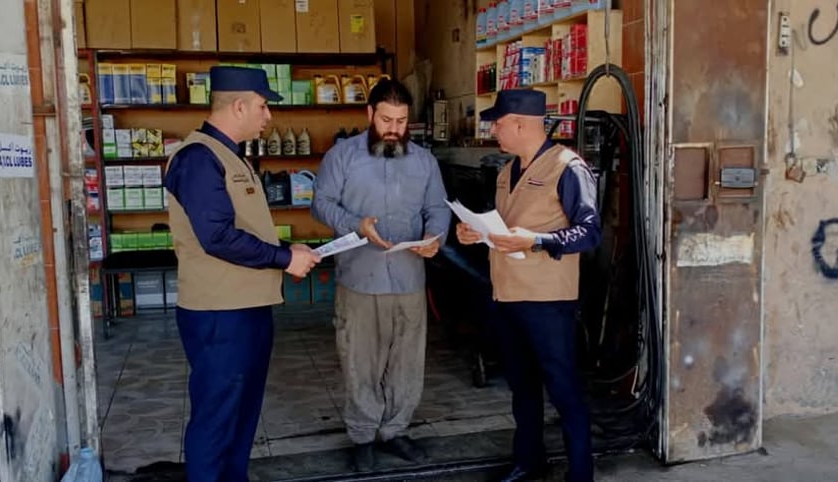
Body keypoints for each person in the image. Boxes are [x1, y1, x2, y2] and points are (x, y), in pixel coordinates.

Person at [163, 65, 321, 481]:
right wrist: (285, 260)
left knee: (241, 416)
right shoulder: (198, 159)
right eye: (264, 106)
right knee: (216, 420)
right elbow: (216, 236)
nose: (268, 116)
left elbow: (244, 230)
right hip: (219, 314)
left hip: (247, 309)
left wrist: (289, 249)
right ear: (239, 105)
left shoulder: (233, 156)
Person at [455, 89, 601, 482]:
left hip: (548, 302)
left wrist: (537, 240)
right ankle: (529, 461)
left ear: (520, 124)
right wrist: (476, 233)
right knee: (523, 388)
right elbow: (504, 228)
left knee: (564, 389)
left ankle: (580, 473)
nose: (494, 131)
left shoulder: (568, 168)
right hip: (508, 296)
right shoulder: (506, 172)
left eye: (498, 124)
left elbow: (589, 234)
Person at [311, 79, 451, 472]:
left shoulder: (425, 161)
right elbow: (321, 204)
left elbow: (438, 209)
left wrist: (434, 237)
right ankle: (361, 434)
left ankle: (396, 430)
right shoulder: (342, 157)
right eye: (386, 119)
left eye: (402, 121)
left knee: (407, 360)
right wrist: (356, 225)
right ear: (369, 114)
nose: (394, 128)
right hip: (360, 278)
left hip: (409, 278)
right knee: (360, 359)